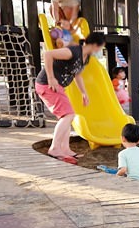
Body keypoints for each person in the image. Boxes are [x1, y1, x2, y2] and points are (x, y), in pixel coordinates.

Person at [35, 32, 106, 164]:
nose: (100, 50)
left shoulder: (86, 57)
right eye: (100, 47)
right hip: (47, 84)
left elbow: (77, 74)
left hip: (59, 86)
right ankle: (55, 148)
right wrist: (51, 78)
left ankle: (65, 149)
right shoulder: (73, 51)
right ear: (95, 45)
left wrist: (83, 93)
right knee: (68, 115)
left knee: (67, 117)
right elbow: (48, 54)